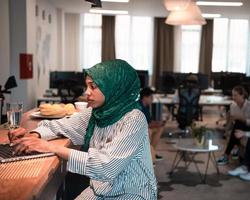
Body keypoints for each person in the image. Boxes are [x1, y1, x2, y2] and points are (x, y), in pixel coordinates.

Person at [10, 59, 157, 199]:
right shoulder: (96, 113)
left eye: (93, 86)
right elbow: (60, 126)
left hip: (131, 193)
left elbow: (106, 167)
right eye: (87, 86)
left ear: (113, 87)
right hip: (102, 189)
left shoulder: (134, 119)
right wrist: (33, 136)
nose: (87, 92)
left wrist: (51, 147)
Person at [217, 86, 250, 165]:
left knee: (238, 123)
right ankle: (232, 151)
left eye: (235, 95)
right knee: (237, 124)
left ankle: (226, 155)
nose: (233, 97)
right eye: (232, 95)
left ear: (242, 95)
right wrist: (226, 130)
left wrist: (241, 118)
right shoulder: (233, 105)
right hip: (239, 127)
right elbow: (231, 120)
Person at [139, 87, 165, 162]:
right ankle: (148, 154)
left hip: (144, 127)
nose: (152, 99)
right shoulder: (139, 107)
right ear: (145, 97)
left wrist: (158, 123)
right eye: (151, 97)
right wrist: (157, 123)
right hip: (138, 129)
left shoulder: (145, 107)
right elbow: (145, 124)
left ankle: (152, 152)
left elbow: (149, 121)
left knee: (160, 128)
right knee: (149, 131)